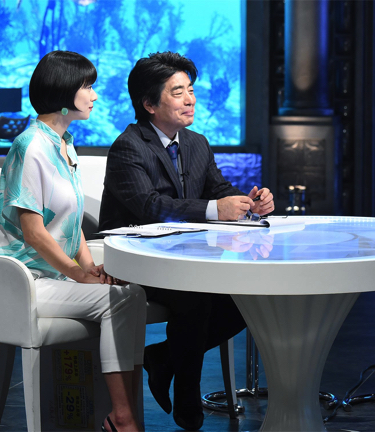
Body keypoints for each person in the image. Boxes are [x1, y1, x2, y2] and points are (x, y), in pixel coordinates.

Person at [98, 51, 275, 431]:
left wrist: (249, 203)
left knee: (245, 296)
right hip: (138, 261)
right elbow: (149, 206)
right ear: (149, 104)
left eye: (191, 90)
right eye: (177, 92)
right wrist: (215, 209)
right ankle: (188, 400)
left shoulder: (196, 142)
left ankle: (164, 358)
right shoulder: (129, 146)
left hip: (186, 256)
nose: (190, 99)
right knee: (195, 297)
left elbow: (218, 189)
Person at [0, 51, 146, 432]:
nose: (94, 95)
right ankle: (123, 418)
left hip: (52, 277)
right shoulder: (30, 146)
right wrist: (78, 274)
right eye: (87, 86)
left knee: (131, 293)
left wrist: (91, 270)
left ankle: (124, 413)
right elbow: (34, 232)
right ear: (63, 90)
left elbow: (71, 226)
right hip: (21, 280)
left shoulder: (64, 144)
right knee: (120, 300)